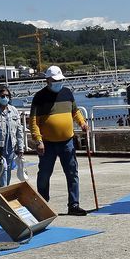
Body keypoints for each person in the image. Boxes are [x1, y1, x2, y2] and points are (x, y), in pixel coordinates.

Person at [28, 65, 89, 216]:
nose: (58, 83)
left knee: (72, 173)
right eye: (55, 80)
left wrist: (82, 122)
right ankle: (43, 205)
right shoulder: (39, 97)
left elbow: (75, 111)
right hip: (47, 143)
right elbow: (33, 121)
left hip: (67, 141)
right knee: (44, 175)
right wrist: (38, 140)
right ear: (47, 80)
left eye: (60, 80)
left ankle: (74, 204)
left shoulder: (67, 92)